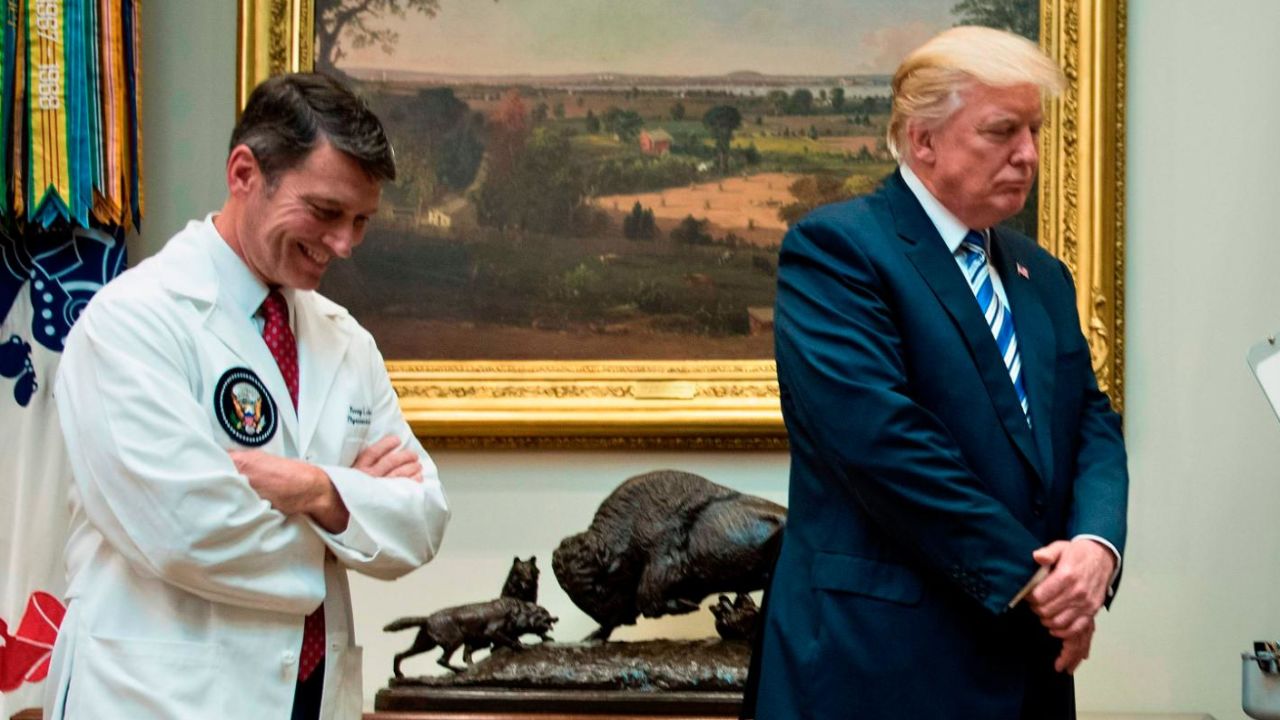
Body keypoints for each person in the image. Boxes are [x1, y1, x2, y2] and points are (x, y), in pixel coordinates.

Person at [43, 73, 450, 720]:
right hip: (159, 699)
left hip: (309, 698)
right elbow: (187, 533)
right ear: (244, 173)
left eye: (361, 221)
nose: (344, 244)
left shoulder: (344, 340)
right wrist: (351, 507)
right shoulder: (131, 323)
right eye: (324, 212)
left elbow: (421, 520)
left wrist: (314, 487)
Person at [751, 27, 1128, 719]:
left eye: (1035, 131)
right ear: (923, 140)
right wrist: (1040, 584)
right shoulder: (838, 251)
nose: (1029, 155)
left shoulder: (1041, 276)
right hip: (877, 666)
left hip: (1027, 670)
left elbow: (1092, 424)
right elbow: (886, 448)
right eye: (1002, 130)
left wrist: (1096, 550)